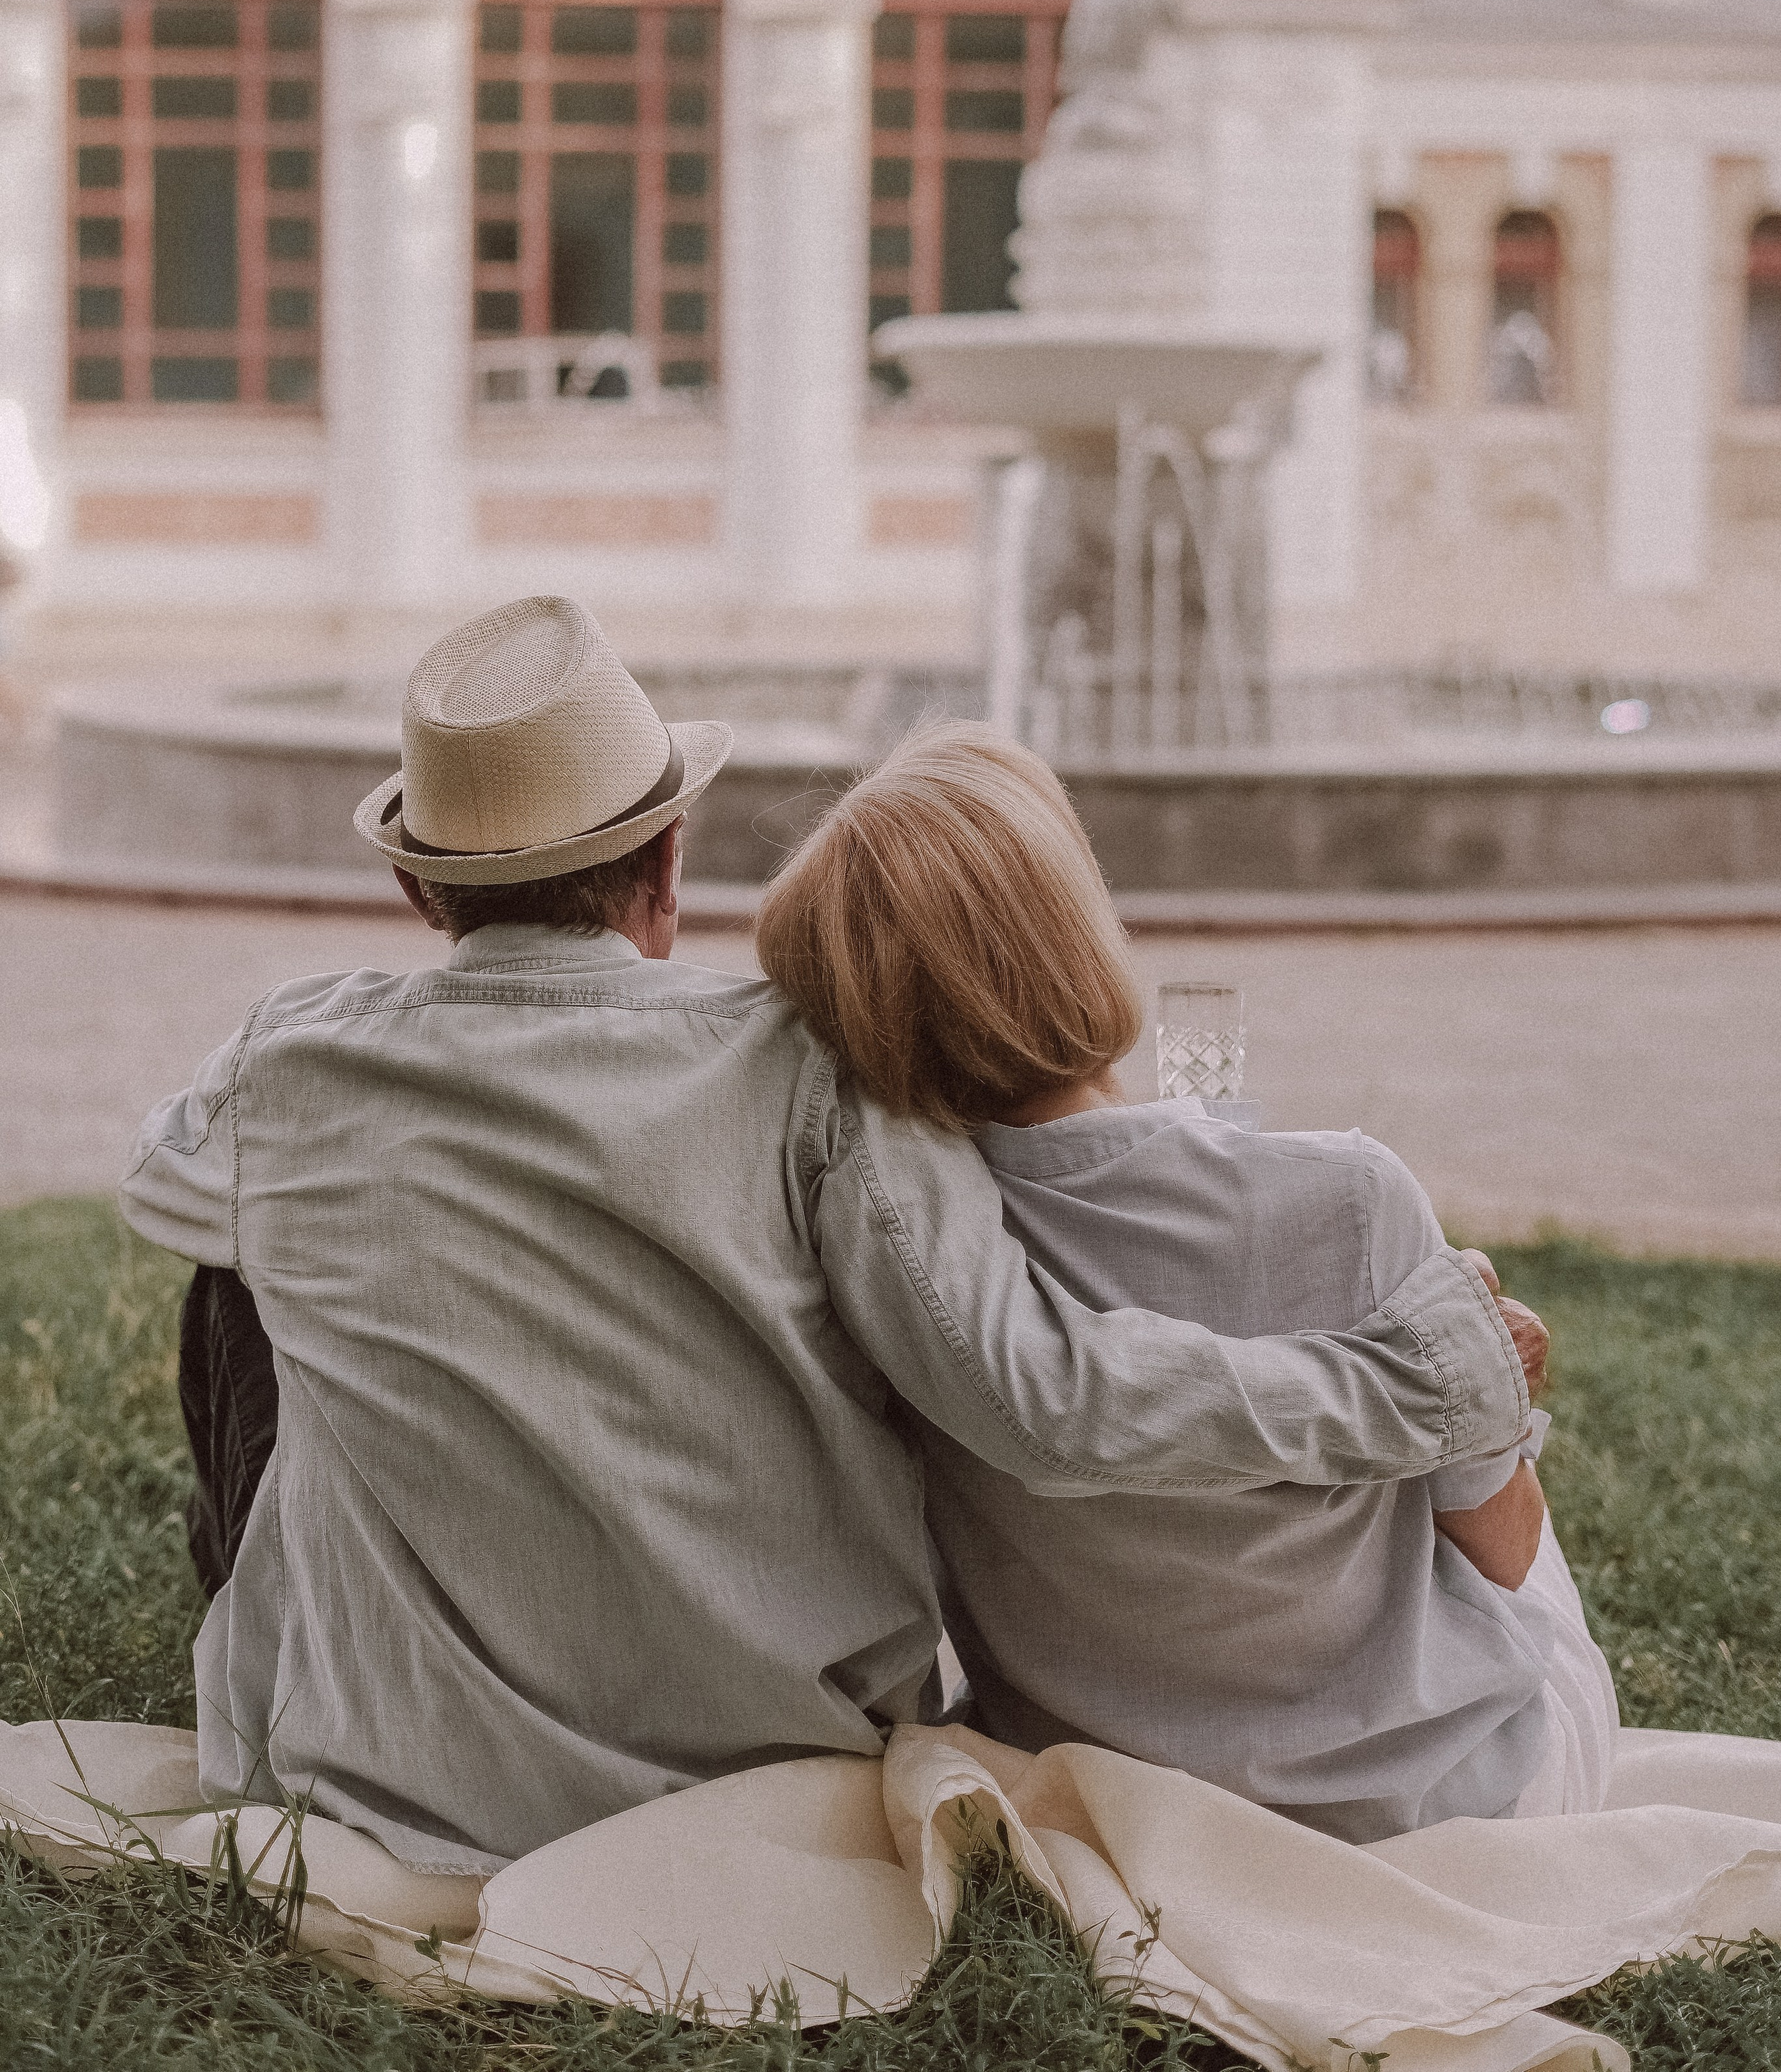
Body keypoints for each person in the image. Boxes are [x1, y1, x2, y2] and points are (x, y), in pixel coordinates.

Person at [123, 599, 1538, 1877]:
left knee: (238, 1265)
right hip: (753, 1756)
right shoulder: (804, 1076)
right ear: (667, 864)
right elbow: (1037, 1401)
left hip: (369, 1773)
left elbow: (159, 1186)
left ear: (417, 894)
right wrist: (1412, 1382)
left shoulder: (294, 1060)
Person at [756, 720, 1615, 1844]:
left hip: (1112, 1799)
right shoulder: (1350, 1195)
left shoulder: (911, 1269)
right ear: (1073, 923)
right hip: (1440, 1802)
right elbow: (1495, 1551)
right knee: (1509, 1497)